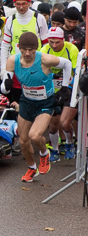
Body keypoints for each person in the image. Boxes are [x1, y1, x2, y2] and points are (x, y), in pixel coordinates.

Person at [1, 32, 72, 182]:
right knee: (23, 140)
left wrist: (65, 88)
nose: (27, 53)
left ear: (36, 48)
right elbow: (4, 89)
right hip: (26, 101)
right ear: (19, 48)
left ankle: (44, 153)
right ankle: (32, 168)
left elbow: (67, 64)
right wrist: (5, 86)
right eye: (24, 50)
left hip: (45, 102)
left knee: (35, 135)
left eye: (31, 50)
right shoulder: (13, 60)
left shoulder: (45, 59)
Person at [0, 0, 49, 103]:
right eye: (18, 4)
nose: (21, 7)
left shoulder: (39, 18)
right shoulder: (11, 20)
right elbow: (5, 46)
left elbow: (46, 45)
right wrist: (3, 68)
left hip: (35, 66)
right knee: (15, 101)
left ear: (29, 3)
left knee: (33, 100)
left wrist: (44, 65)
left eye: (24, 4)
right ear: (14, 4)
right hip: (17, 65)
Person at [41, 27, 79, 162]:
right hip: (53, 91)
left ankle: (69, 143)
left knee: (65, 123)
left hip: (69, 90)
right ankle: (55, 150)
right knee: (52, 125)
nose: (54, 45)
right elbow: (41, 72)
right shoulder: (45, 50)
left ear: (63, 40)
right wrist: (52, 75)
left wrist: (67, 86)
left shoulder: (72, 49)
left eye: (57, 42)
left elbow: (77, 71)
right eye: (51, 42)